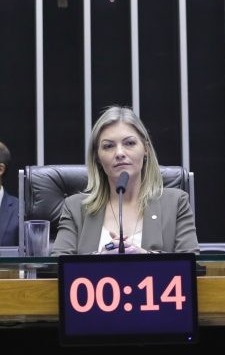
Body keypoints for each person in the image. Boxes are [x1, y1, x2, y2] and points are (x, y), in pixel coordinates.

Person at [51, 105, 199, 256]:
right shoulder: (75, 207)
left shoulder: (176, 202)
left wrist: (145, 257)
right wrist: (98, 260)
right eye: (108, 146)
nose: (120, 153)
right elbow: (55, 269)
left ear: (145, 149)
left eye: (129, 143)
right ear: (97, 157)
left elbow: (193, 266)